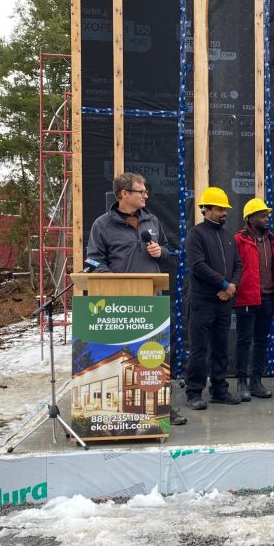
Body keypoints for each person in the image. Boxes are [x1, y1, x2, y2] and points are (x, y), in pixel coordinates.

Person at [84, 171, 187, 425]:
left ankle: (160, 408)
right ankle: (118, 410)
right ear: (124, 194)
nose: (146, 195)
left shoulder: (151, 220)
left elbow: (167, 250)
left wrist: (159, 250)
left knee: (154, 356)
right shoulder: (102, 225)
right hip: (118, 304)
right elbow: (93, 260)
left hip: (151, 297)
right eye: (140, 191)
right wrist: (115, 282)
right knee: (122, 356)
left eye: (145, 191)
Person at [184, 186, 243, 410]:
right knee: (199, 349)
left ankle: (219, 390)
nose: (224, 213)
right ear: (206, 210)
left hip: (224, 302)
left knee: (221, 347)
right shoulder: (196, 234)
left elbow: (238, 265)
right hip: (202, 302)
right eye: (219, 209)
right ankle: (194, 392)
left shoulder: (228, 237)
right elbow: (198, 266)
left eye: (225, 209)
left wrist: (231, 287)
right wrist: (223, 284)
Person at [233, 198, 274, 401]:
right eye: (262, 216)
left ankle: (256, 381)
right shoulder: (238, 240)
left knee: (262, 340)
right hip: (246, 297)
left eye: (267, 215)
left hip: (268, 297)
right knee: (244, 341)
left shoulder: (272, 240)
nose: (266, 219)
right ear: (250, 219)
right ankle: (241, 381)